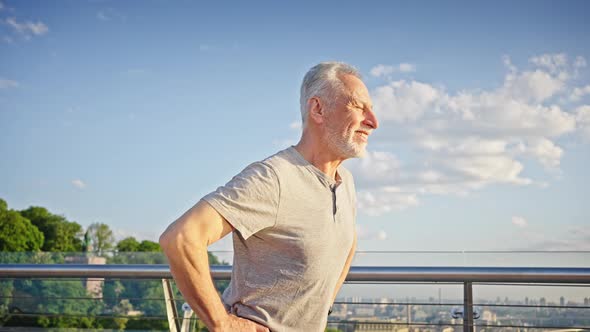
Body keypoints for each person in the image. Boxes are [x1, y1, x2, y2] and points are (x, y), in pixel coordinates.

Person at [159, 62, 379, 332]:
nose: (373, 122)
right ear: (318, 109)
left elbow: (348, 242)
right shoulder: (274, 178)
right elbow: (181, 238)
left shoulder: (345, 182)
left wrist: (323, 309)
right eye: (358, 106)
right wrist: (221, 323)